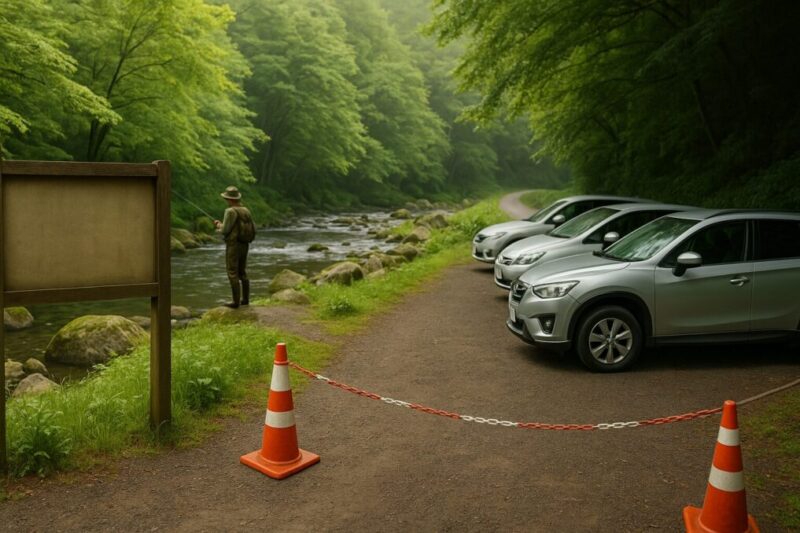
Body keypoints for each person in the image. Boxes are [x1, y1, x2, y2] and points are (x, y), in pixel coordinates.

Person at [214, 186, 254, 308]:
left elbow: (225, 230)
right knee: (242, 272)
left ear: (229, 199)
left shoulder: (230, 211)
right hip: (245, 244)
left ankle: (235, 302)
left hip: (233, 245)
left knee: (232, 272)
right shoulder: (246, 210)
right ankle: (245, 300)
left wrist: (218, 225)